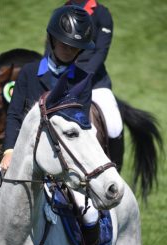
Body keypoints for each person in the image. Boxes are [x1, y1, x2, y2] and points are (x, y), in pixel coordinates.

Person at [0, 6, 103, 245]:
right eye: (64, 43)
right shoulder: (29, 72)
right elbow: (15, 115)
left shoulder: (82, 80)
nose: (68, 50)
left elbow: (80, 123)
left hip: (62, 164)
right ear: (52, 40)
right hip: (20, 160)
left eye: (74, 47)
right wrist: (8, 151)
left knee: (90, 217)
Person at [63, 0, 124, 170]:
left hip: (95, 82)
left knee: (114, 125)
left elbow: (101, 51)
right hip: (63, 80)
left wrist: (85, 77)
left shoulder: (102, 13)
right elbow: (50, 49)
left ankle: (115, 171)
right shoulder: (61, 11)